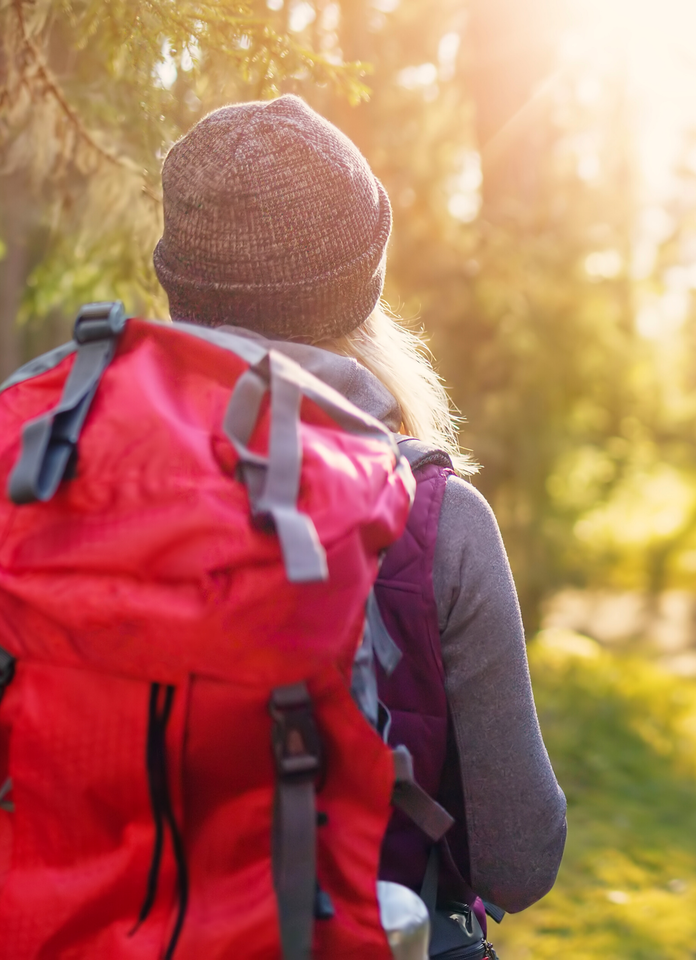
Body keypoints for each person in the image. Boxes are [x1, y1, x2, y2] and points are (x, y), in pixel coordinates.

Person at [150, 94, 567, 940]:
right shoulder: (434, 519)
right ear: (358, 288)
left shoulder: (61, 482)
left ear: (179, 286)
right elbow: (519, 862)